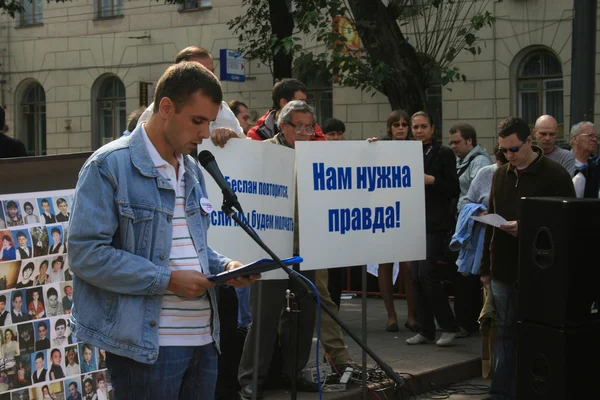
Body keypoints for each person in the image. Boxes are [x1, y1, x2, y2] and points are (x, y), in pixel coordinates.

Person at [68, 61, 257, 399]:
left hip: (205, 340)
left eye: (209, 123)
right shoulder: (109, 166)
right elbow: (86, 255)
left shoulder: (193, 169)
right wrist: (167, 280)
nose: (203, 133)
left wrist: (224, 267)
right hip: (147, 346)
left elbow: (191, 248)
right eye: (197, 121)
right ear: (166, 108)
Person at [480, 117, 575, 400]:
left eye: (514, 150)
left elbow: (569, 225)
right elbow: (491, 224)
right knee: (505, 333)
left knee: (539, 333)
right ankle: (501, 392)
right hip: (505, 269)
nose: (509, 156)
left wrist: (527, 228)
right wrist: (485, 268)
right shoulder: (500, 175)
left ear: (529, 142)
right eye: (503, 151)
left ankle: (536, 388)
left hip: (541, 272)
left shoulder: (555, 175)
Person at [238, 101, 319, 398]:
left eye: (309, 126)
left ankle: (294, 372)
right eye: (298, 126)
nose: (305, 132)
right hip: (269, 248)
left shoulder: (316, 153)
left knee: (303, 313)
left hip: (306, 245)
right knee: (265, 315)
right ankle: (251, 379)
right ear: (283, 126)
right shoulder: (263, 150)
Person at [405, 111, 460, 347]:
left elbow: (454, 188)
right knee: (416, 277)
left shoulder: (444, 153)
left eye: (423, 127)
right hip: (411, 221)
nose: (418, 131)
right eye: (415, 127)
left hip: (435, 223)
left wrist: (432, 181)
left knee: (428, 274)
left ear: (432, 128)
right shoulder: (405, 151)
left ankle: (448, 326)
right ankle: (425, 329)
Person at [367, 109, 419, 333]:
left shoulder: (417, 148)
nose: (401, 128)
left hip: (408, 212)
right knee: (385, 265)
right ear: (389, 127)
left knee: (409, 267)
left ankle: (413, 315)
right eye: (396, 124)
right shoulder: (380, 147)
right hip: (384, 212)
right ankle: (390, 316)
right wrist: (369, 148)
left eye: (404, 124)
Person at [137, 46, 246, 143]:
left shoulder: (224, 110)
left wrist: (234, 139)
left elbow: (246, 148)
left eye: (212, 72)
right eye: (197, 120)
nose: (211, 78)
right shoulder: (155, 113)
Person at [245, 78, 325, 142]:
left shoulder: (312, 127)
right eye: (298, 126)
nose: (304, 105)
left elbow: (321, 153)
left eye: (307, 128)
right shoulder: (257, 133)